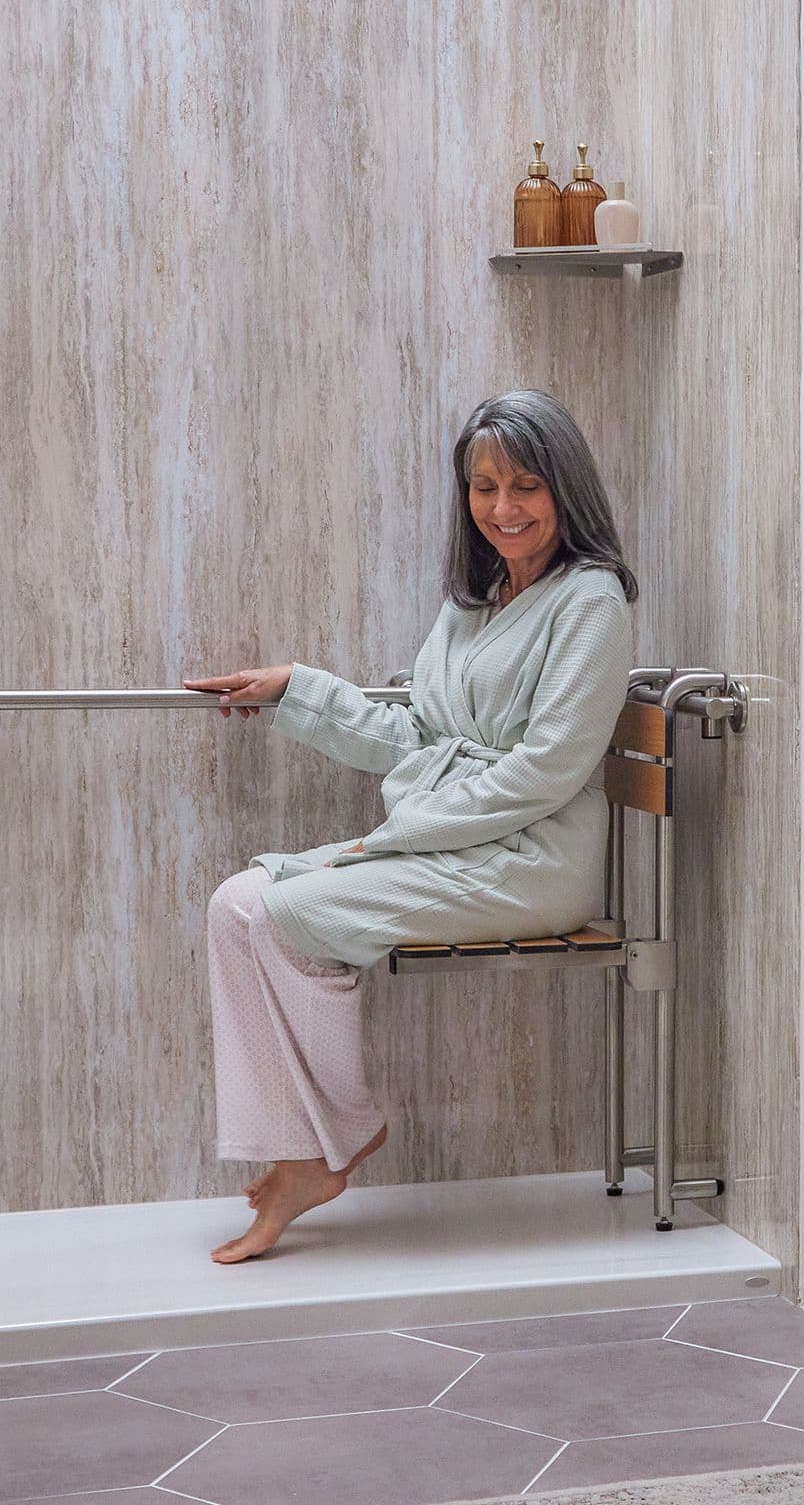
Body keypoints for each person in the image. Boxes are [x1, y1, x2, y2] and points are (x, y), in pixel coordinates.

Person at [186, 388, 637, 1263]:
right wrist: (299, 688)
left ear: (566, 488)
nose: (504, 509)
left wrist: (396, 836)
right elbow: (418, 736)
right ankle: (315, 1144)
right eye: (484, 487)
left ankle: (325, 1148)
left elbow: (547, 770)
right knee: (234, 906)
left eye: (527, 485)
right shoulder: (475, 601)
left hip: (531, 859)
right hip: (458, 841)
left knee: (283, 910)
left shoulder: (592, 602)